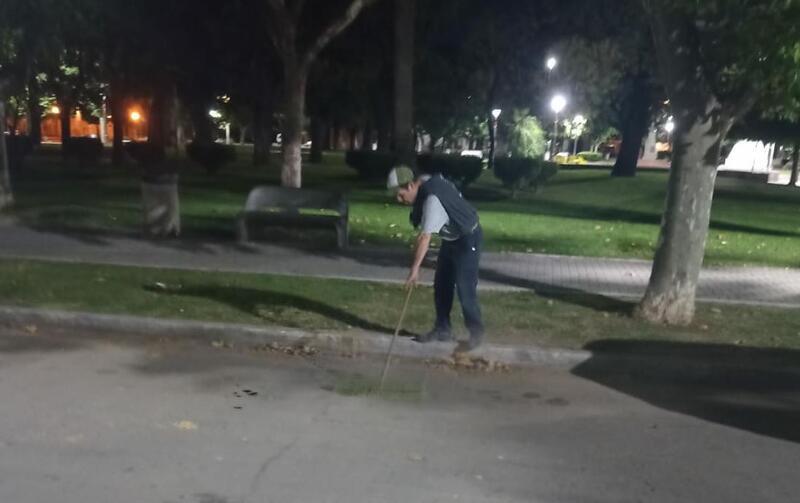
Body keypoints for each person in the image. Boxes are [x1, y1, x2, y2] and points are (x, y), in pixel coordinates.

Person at [388, 166, 484, 350]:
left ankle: (476, 332)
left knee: (465, 286)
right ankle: (442, 329)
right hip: (451, 238)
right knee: (442, 284)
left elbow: (424, 238)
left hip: (468, 237)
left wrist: (414, 270)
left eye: (401, 195)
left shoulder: (432, 200)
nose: (400, 200)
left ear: (410, 186)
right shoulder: (424, 181)